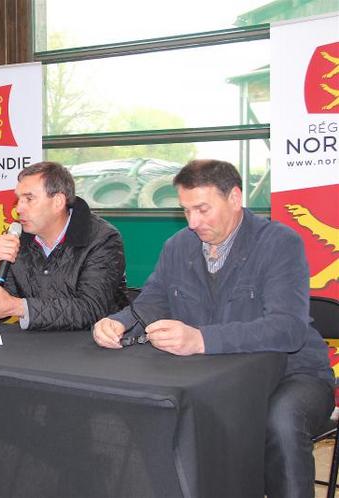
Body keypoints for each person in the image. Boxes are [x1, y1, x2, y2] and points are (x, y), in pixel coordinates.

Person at [92, 159, 334, 498]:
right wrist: (118, 322)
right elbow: (153, 301)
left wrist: (200, 339)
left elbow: (287, 329)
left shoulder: (279, 243)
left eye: (202, 209)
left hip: (293, 376)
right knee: (153, 411)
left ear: (234, 198)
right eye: (186, 210)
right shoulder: (178, 246)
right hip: (211, 379)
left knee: (280, 420)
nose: (193, 222)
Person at [0, 161, 128, 330]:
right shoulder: (18, 238)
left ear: (57, 202)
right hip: (35, 346)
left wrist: (18, 307)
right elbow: (0, 303)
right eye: (18, 199)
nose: (18, 208)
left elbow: (91, 309)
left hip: (95, 346)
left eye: (29, 199)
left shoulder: (102, 238)